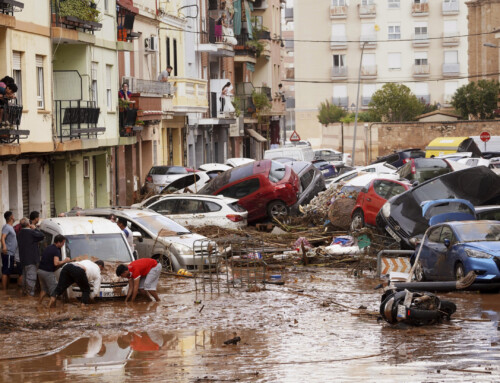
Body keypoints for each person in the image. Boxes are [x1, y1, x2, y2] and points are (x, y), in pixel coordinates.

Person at [38, 234, 70, 303]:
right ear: (58, 242)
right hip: (47, 272)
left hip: (40, 271)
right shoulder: (56, 250)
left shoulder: (48, 247)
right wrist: (65, 261)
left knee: (44, 289)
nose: (63, 245)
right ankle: (51, 309)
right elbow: (56, 263)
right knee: (54, 291)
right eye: (63, 243)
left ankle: (39, 304)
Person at [17, 217, 44, 296]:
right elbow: (42, 236)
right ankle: (30, 296)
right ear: (29, 224)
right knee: (31, 278)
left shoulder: (19, 233)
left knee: (25, 278)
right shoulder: (31, 233)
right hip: (31, 260)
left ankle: (25, 295)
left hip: (23, 259)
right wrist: (35, 228)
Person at [1, 211, 20, 290]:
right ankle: (4, 291)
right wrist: (5, 247)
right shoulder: (7, 227)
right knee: (6, 272)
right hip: (8, 253)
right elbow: (2, 238)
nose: (14, 217)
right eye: (13, 216)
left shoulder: (10, 227)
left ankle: (6, 289)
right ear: (11, 217)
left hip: (11, 253)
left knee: (8, 272)